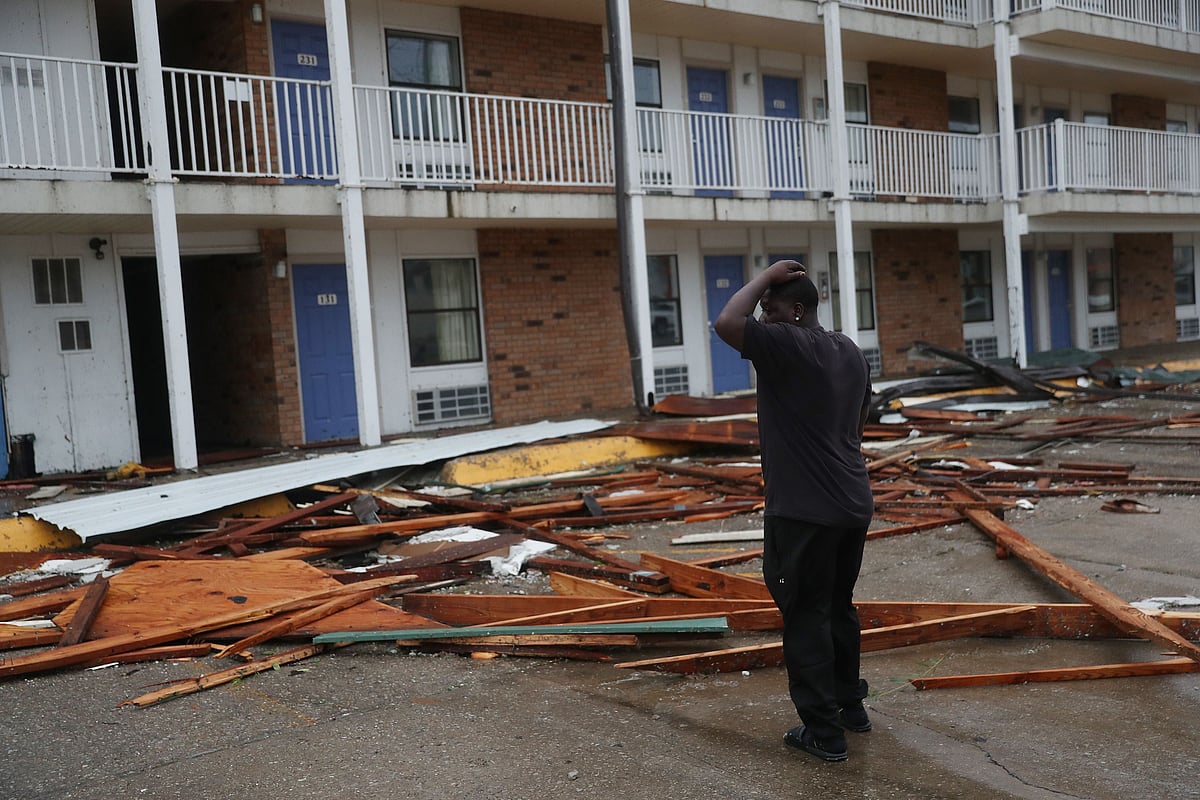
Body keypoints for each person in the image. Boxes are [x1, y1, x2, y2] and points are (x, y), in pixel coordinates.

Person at [713, 258, 874, 763]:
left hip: (804, 511)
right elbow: (859, 420)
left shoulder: (786, 343)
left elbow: (726, 324)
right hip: (852, 503)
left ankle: (824, 734)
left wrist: (763, 276)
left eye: (772, 307)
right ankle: (851, 707)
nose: (764, 314)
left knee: (806, 615)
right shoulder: (849, 350)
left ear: (797, 310)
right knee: (837, 608)